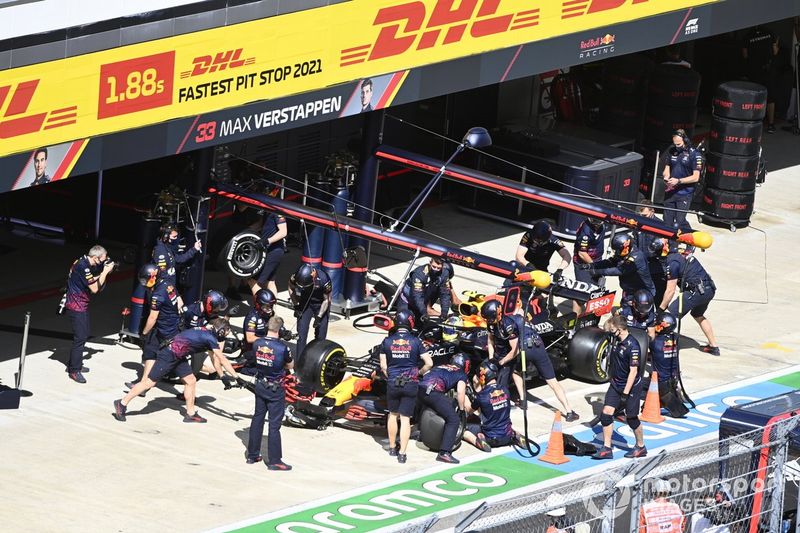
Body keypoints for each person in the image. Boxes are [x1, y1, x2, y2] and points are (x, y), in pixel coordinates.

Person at [113, 318, 238, 423]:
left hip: (178, 355)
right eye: (227, 332)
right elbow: (222, 359)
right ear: (221, 331)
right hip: (169, 355)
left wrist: (222, 376)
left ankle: (190, 413)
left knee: (191, 381)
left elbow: (215, 359)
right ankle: (122, 403)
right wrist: (236, 377)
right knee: (149, 383)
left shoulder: (207, 333)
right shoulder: (210, 338)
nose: (227, 335)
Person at [482, 300, 578, 420]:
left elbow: (514, 351)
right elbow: (492, 340)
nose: (488, 321)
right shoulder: (515, 318)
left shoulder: (508, 325)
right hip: (536, 347)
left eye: (490, 318)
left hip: (525, 349)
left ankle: (523, 400)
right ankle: (569, 411)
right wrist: (492, 359)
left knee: (516, 372)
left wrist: (499, 362)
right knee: (552, 382)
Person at [379, 310, 433, 464]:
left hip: (393, 382)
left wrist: (391, 376)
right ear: (410, 322)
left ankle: (391, 447)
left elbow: (383, 366)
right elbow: (429, 363)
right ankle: (402, 453)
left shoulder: (387, 341)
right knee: (405, 419)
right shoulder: (416, 341)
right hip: (410, 382)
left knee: (393, 415)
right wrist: (419, 372)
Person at [651, 238, 719, 356]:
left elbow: (670, 291)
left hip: (695, 292)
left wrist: (660, 310)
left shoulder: (672, 263)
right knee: (697, 314)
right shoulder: (680, 251)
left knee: (667, 319)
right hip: (709, 289)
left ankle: (658, 352)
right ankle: (714, 346)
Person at [593, 315, 646, 460]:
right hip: (616, 384)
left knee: (632, 418)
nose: (610, 331)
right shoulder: (616, 339)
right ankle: (607, 448)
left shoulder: (633, 346)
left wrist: (625, 394)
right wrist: (611, 321)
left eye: (613, 329)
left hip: (630, 387)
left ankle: (641, 446)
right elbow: (605, 327)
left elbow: (633, 372)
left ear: (620, 329)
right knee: (606, 414)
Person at [125, 263, 183, 392]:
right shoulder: (168, 284)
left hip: (162, 329)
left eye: (145, 280)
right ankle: (143, 385)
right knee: (150, 352)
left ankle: (144, 385)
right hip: (172, 327)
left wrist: (144, 334)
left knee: (176, 361)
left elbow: (152, 318)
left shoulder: (158, 294)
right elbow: (180, 302)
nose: (144, 283)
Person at [246, 316, 294, 470]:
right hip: (275, 389)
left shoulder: (257, 343)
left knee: (258, 418)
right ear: (279, 330)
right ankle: (274, 461)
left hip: (260, 384)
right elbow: (290, 365)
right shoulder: (283, 347)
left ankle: (252, 455)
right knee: (274, 425)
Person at [63, 245, 115, 383]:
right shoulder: (83, 267)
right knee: (80, 338)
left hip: (80, 304)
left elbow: (90, 279)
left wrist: (104, 272)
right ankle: (74, 370)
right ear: (95, 258)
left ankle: (75, 363)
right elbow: (94, 288)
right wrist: (105, 272)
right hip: (76, 306)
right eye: (103, 260)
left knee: (83, 335)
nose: (104, 262)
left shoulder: (82, 262)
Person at [418, 353, 469, 464]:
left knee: (427, 405)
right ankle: (444, 452)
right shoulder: (461, 374)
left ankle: (421, 434)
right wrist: (461, 410)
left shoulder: (441, 366)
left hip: (421, 388)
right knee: (454, 420)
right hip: (434, 392)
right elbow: (460, 393)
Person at [462, 360, 524, 451]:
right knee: (502, 423)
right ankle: (515, 435)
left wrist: (464, 396)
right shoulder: (505, 390)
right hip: (507, 436)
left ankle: (478, 441)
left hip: (491, 439)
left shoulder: (482, 396)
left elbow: (469, 410)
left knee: (464, 431)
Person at [579, 233, 655, 304]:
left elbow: (620, 270)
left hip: (643, 294)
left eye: (618, 250)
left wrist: (597, 272)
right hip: (629, 291)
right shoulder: (623, 253)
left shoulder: (637, 257)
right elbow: (611, 262)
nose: (616, 253)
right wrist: (592, 265)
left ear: (626, 247)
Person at [662, 129, 703, 233]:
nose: (677, 146)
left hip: (685, 193)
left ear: (685, 140)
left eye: (679, 144)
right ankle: (670, 246)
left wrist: (678, 181)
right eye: (675, 144)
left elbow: (696, 177)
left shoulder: (694, 154)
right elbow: (667, 169)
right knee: (667, 221)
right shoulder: (672, 150)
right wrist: (666, 177)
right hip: (670, 191)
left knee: (679, 222)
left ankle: (691, 238)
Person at [288, 264, 332, 360]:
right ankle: (299, 362)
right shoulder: (296, 276)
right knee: (301, 334)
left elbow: (327, 300)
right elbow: (290, 288)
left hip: (321, 303)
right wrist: (296, 306)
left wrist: (319, 317)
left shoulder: (324, 279)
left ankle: (316, 359)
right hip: (305, 302)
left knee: (321, 335)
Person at [650, 311, 688, 418]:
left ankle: (670, 402)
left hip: (661, 383)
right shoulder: (675, 339)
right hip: (674, 378)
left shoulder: (655, 342)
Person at [742, 25, 780, 133]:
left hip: (754, 70)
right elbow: (775, 51)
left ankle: (752, 123)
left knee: (754, 97)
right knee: (770, 97)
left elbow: (745, 55)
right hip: (768, 69)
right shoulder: (770, 32)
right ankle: (771, 125)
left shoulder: (747, 35)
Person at [397, 257, 453, 322]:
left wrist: (444, 312)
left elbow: (445, 294)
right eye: (434, 267)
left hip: (422, 301)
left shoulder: (444, 274)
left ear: (443, 266)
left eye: (438, 268)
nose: (436, 270)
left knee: (421, 326)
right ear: (430, 263)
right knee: (403, 322)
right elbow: (417, 295)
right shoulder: (419, 273)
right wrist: (424, 311)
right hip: (407, 302)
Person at [634, 200, 667, 305]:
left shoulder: (660, 225)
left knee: (657, 296)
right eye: (640, 215)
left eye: (645, 215)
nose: (642, 217)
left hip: (656, 266)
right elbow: (635, 242)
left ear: (652, 211)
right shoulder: (637, 223)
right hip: (642, 265)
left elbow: (667, 244)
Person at [249, 211, 287, 298]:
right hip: (271, 250)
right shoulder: (267, 210)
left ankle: (262, 307)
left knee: (253, 281)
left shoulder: (277, 210)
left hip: (273, 251)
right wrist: (245, 230)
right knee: (270, 282)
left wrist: (266, 241)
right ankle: (272, 310)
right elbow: (260, 224)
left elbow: (283, 232)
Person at [239, 288, 277, 375]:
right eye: (266, 306)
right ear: (258, 305)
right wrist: (268, 338)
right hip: (252, 349)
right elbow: (250, 338)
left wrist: (284, 333)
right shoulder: (252, 318)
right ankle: (245, 369)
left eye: (271, 306)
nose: (269, 309)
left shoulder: (271, 314)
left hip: (266, 346)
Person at [152, 223, 202, 289]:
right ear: (166, 236)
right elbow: (162, 275)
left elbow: (179, 259)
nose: (175, 239)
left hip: (170, 287)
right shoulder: (160, 251)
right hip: (164, 288)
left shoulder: (167, 248)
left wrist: (194, 249)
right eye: (174, 236)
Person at [572, 217, 605, 314]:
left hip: (597, 261)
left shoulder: (602, 225)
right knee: (580, 296)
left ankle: (590, 319)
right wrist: (595, 266)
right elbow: (582, 253)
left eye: (599, 222)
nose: (597, 224)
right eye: (595, 222)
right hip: (583, 265)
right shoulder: (585, 231)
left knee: (596, 294)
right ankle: (575, 321)